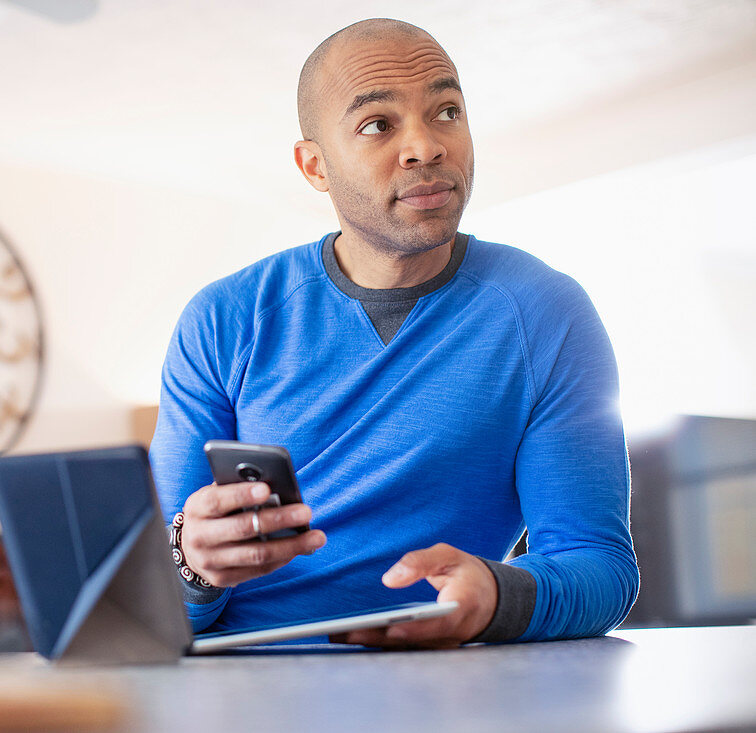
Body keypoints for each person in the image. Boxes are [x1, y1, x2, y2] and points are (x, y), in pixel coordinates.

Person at [149, 18, 639, 648]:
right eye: (379, 124)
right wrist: (192, 566)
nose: (426, 146)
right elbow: (160, 608)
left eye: (446, 111)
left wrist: (495, 597)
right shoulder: (223, 319)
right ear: (315, 167)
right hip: (238, 675)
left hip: (445, 682)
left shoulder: (547, 312)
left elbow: (600, 567)